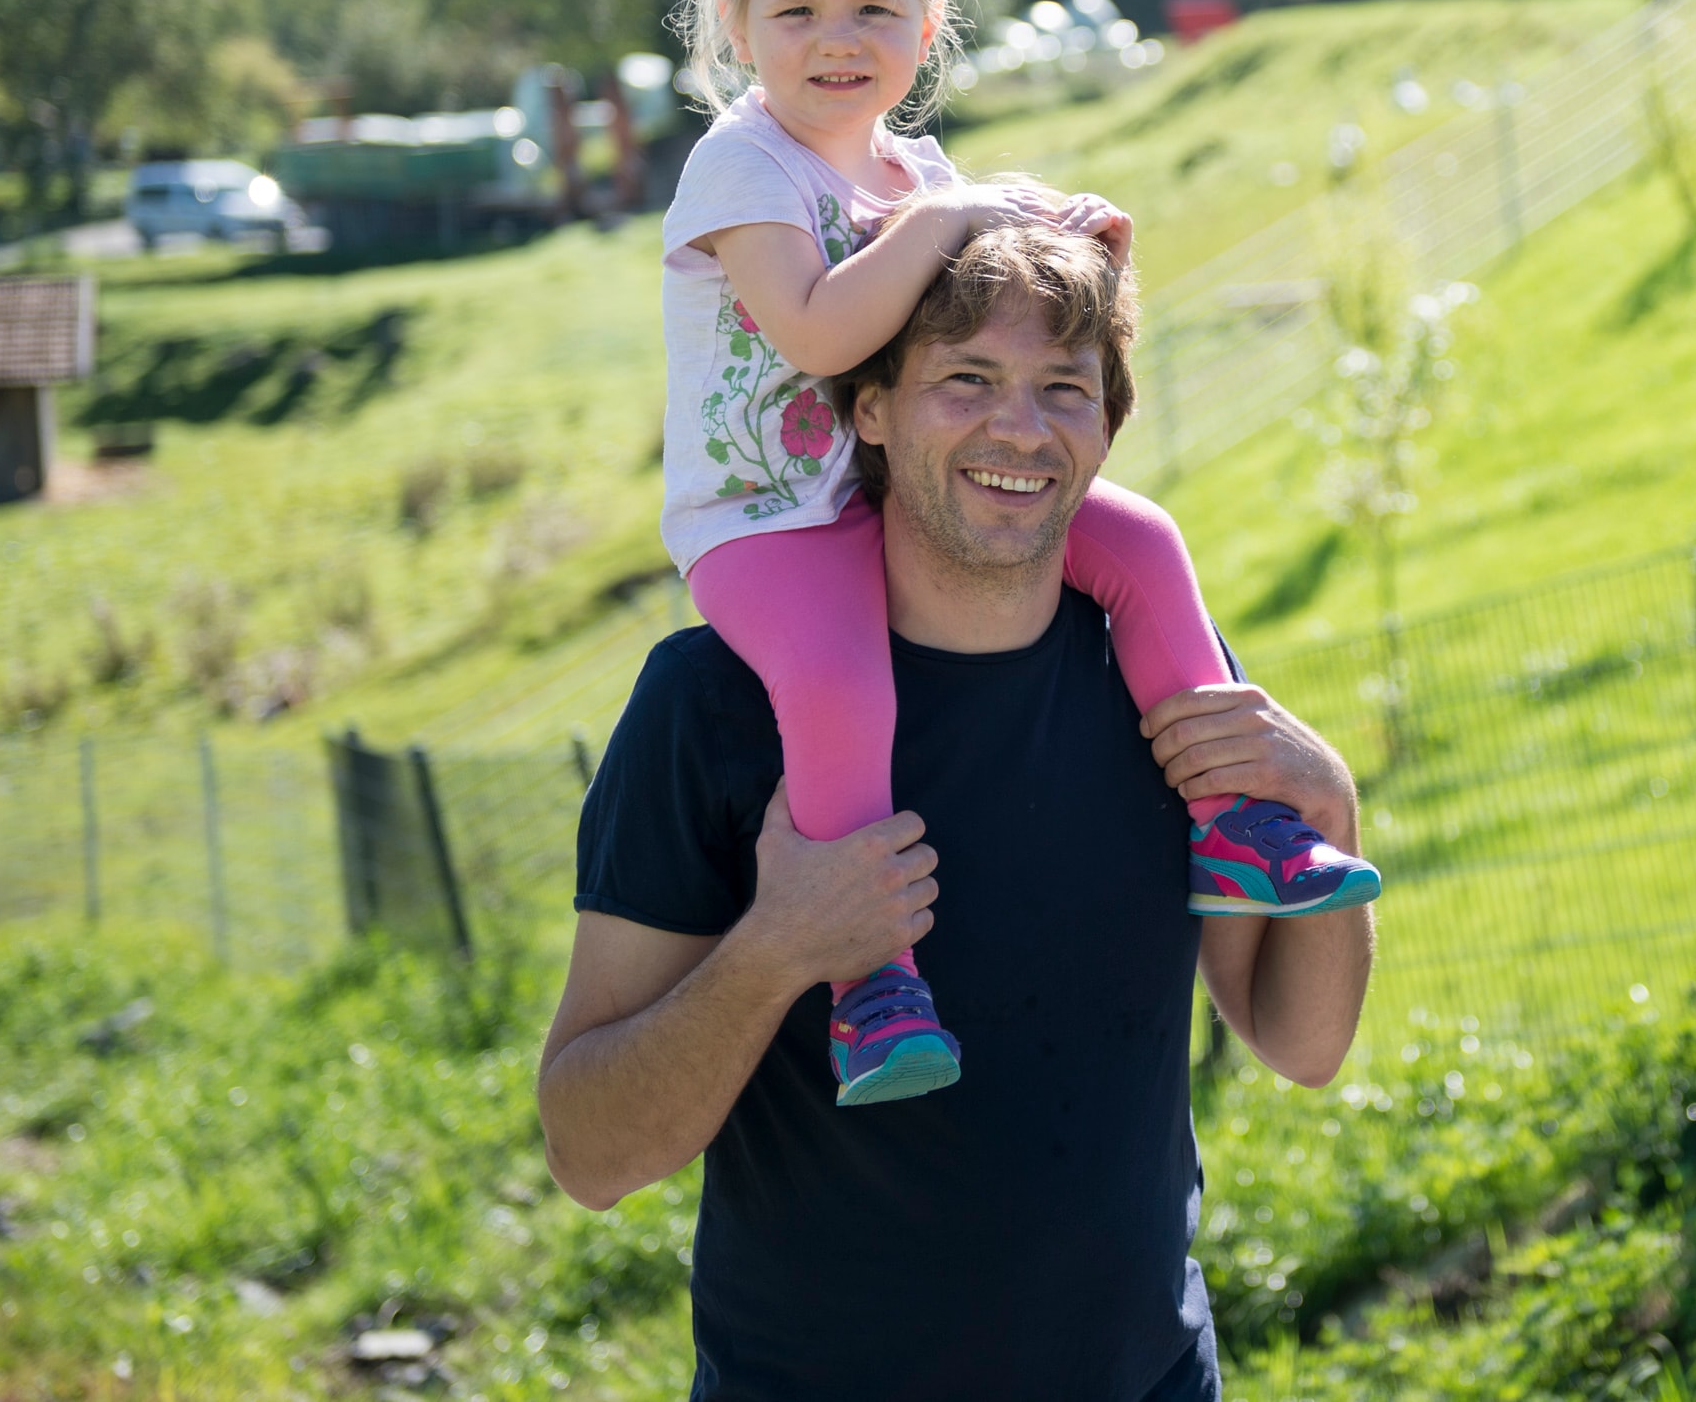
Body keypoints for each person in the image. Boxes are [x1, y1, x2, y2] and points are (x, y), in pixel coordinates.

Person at [540, 220, 1374, 1400]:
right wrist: (779, 948)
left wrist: (1328, 797)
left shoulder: (1166, 684)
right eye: (965, 379)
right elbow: (588, 1151)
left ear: (1107, 421)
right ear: (868, 407)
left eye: (1062, 387)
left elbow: (1303, 1039)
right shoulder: (714, 704)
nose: (1019, 427)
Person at [653, 0, 1377, 1104]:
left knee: (1144, 542)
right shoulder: (741, 163)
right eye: (799, 9)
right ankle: (871, 982)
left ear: (928, 24)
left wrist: (1066, 240)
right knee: (837, 678)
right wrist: (953, 215)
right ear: (735, 20)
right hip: (767, 521)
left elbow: (977, 312)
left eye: (875, 6)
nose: (839, 36)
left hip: (887, 498)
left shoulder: (918, 174)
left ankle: (1239, 823)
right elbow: (823, 332)